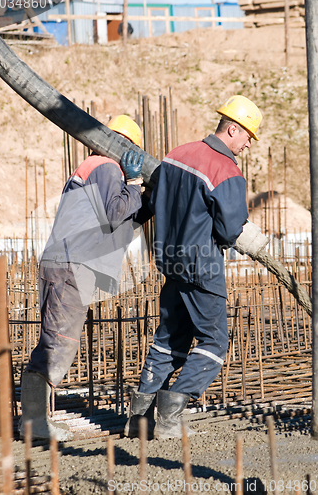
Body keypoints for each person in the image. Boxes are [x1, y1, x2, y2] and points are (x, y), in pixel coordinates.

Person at [124, 95, 263, 439]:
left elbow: (151, 205)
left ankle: (137, 420)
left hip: (170, 263)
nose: (248, 144)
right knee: (214, 343)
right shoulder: (225, 169)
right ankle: (170, 416)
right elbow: (230, 228)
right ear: (233, 128)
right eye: (248, 136)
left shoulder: (176, 155)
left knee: (169, 341)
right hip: (203, 268)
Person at [19, 115, 146, 441]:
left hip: (70, 264)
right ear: (126, 146)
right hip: (70, 265)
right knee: (57, 343)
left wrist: (137, 197)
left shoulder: (96, 168)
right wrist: (132, 186)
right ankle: (34, 423)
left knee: (59, 340)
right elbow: (115, 213)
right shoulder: (105, 166)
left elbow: (116, 219)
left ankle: (36, 421)